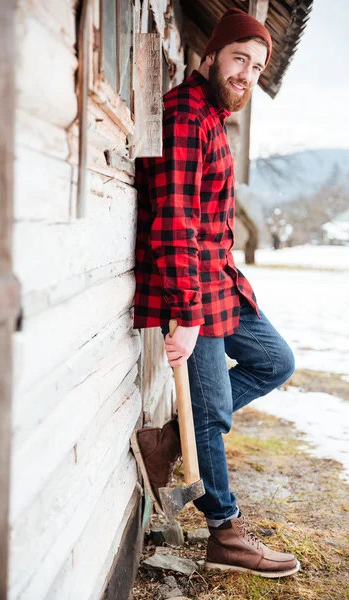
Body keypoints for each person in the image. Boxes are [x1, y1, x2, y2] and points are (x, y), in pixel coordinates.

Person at [133, 8, 299, 578]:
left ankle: (170, 443)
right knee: (211, 411)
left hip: (219, 282)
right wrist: (186, 312)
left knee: (275, 360)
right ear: (212, 55)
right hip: (192, 287)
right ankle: (223, 531)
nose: (246, 75)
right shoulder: (184, 115)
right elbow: (176, 221)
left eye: (256, 67)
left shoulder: (210, 115)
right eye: (239, 60)